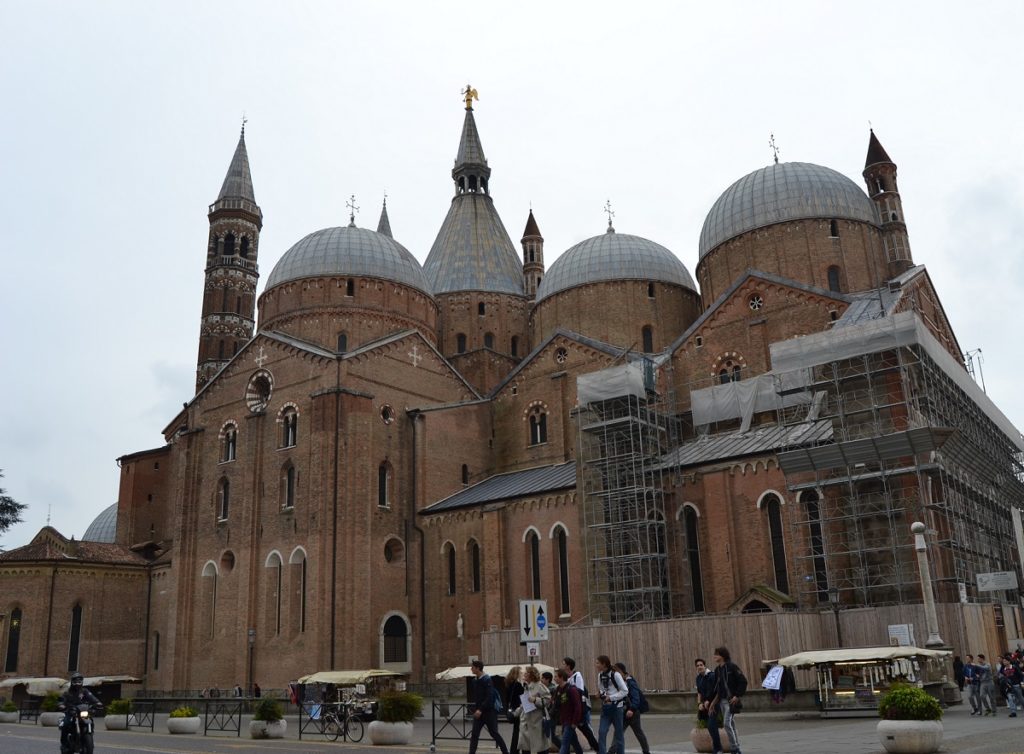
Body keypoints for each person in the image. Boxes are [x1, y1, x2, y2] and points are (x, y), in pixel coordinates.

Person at [468, 660, 511, 754]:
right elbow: (477, 697)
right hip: (479, 712)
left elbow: (489, 696)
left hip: (489, 712)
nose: (471, 669)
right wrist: (476, 709)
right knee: (474, 734)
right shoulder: (475, 681)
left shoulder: (487, 679)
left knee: (494, 733)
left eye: (472, 667)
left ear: (478, 668)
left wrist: (480, 709)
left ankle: (505, 752)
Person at [710, 646, 746, 754]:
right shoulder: (717, 670)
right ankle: (737, 747)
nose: (714, 656)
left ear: (723, 655)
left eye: (716, 654)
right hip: (722, 702)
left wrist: (737, 696)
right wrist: (713, 703)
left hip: (731, 701)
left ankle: (734, 748)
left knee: (726, 723)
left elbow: (743, 681)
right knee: (731, 724)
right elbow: (718, 690)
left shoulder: (732, 667)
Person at [611, 662, 650, 754]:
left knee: (638, 732)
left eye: (615, 671)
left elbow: (636, 697)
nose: (614, 674)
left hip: (632, 712)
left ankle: (646, 751)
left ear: (620, 671)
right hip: (623, 711)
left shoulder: (630, 682)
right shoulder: (620, 682)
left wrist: (632, 709)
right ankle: (611, 751)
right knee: (618, 732)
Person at [58, 673, 101, 754]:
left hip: (82, 712)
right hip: (71, 712)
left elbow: (92, 698)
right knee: (65, 724)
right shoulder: (67, 692)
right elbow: (61, 700)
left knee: (90, 720)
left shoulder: (85, 691)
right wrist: (61, 705)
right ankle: (64, 745)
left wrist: (98, 703)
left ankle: (89, 737)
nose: (77, 683)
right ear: (72, 682)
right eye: (75, 681)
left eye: (79, 681)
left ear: (81, 681)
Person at [562, 657, 599, 751]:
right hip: (571, 711)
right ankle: (580, 750)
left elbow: (580, 692)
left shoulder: (577, 676)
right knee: (569, 733)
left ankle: (597, 748)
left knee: (587, 731)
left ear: (568, 666)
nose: (562, 666)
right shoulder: (567, 678)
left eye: (563, 664)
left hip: (580, 709)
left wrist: (580, 710)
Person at [594, 655, 627, 754]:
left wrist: (611, 697)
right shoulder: (600, 675)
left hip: (617, 708)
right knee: (602, 732)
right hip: (606, 708)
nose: (596, 665)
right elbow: (602, 689)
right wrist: (600, 694)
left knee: (619, 734)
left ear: (604, 664)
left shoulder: (615, 675)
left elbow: (625, 691)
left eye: (597, 663)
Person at [519, 665, 551, 754]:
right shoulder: (526, 686)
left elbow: (548, 700)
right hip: (526, 721)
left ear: (531, 675)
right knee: (526, 748)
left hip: (537, 722)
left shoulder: (539, 686)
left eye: (526, 672)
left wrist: (535, 700)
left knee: (538, 748)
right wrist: (516, 712)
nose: (524, 674)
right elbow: (525, 703)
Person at [555, 669, 583, 754]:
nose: (554, 678)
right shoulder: (558, 689)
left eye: (556, 676)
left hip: (571, 721)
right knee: (574, 742)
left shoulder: (571, 689)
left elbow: (578, 707)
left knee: (564, 743)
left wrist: (575, 722)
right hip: (564, 720)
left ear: (561, 678)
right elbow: (556, 704)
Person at [507, 666, 525, 754]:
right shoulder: (517, 685)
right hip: (518, 710)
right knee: (518, 733)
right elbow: (522, 697)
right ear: (517, 674)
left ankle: (514, 751)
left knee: (516, 732)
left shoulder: (509, 683)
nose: (523, 675)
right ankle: (514, 751)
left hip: (513, 709)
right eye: (521, 673)